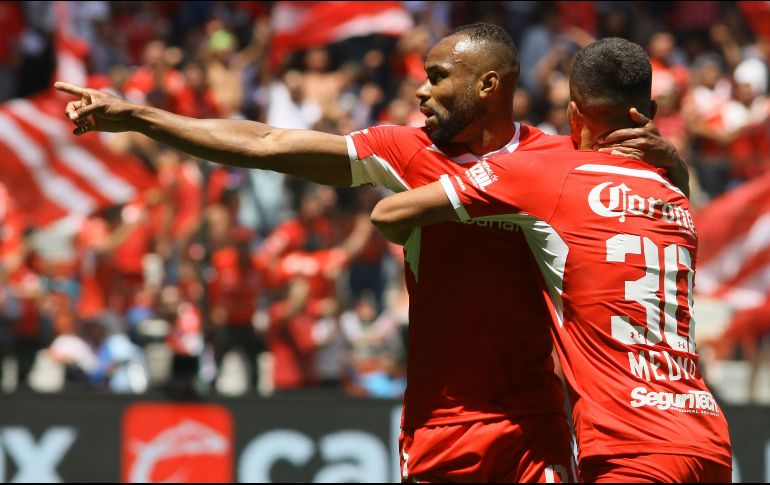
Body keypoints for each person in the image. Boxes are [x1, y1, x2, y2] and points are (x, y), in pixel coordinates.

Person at [55, 23, 687, 482]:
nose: (422, 93)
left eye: (438, 78)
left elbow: (655, 225)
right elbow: (268, 142)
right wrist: (141, 117)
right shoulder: (404, 152)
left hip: (534, 426)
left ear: (489, 83)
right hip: (440, 427)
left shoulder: (559, 164)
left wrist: (676, 167)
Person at [369, 37, 732, 483]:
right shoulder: (674, 196)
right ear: (650, 114)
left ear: (574, 113)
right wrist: (674, 158)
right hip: (706, 435)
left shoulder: (548, 174)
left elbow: (387, 213)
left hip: (632, 446)